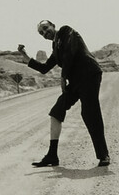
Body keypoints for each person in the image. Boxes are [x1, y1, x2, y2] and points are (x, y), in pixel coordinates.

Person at [18, 20, 110, 167]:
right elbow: (44, 68)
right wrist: (26, 57)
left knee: (89, 113)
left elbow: (70, 52)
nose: (44, 33)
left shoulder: (66, 31)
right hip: (75, 82)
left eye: (45, 28)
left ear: (53, 26)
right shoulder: (55, 47)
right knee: (56, 111)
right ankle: (52, 156)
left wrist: (63, 77)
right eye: (41, 33)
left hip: (88, 75)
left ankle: (103, 155)